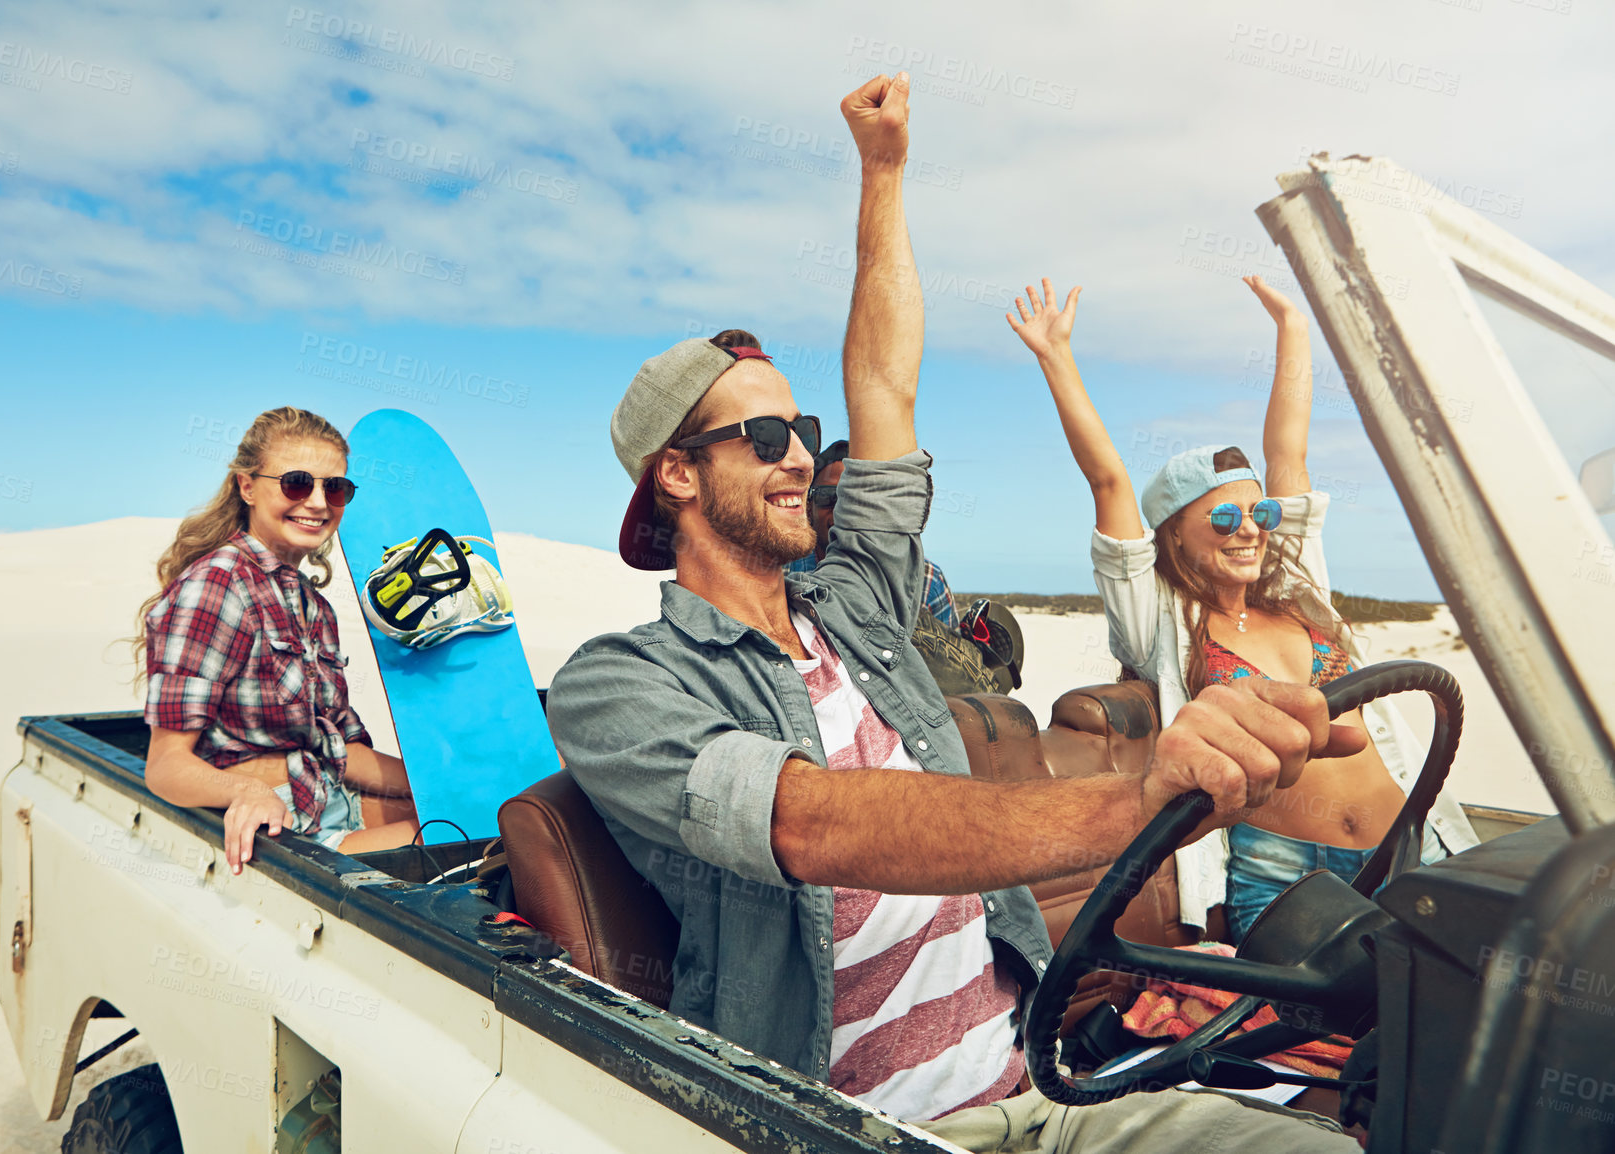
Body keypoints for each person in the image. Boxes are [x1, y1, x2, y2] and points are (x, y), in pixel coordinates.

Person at [548, 73, 1359, 1151]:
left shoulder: (853, 607)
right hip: (856, 1125)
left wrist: (883, 176)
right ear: (678, 479)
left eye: (798, 426)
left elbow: (885, 384)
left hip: (1039, 1080)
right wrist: (1139, 802)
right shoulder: (621, 682)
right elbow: (812, 822)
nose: (800, 455)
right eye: (761, 438)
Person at [1007, 275, 1477, 942]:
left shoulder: (1299, 584)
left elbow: (1289, 448)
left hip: (1407, 842)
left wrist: (1292, 326)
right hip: (1283, 869)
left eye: (1256, 512)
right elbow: (1107, 478)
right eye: (1223, 517)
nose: (1249, 529)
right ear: (1173, 533)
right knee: (1314, 1039)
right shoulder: (1161, 620)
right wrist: (1055, 357)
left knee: (1441, 1022)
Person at [135, 406, 422, 874]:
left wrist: (435, 784)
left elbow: (340, 751)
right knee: (485, 845)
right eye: (296, 482)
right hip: (287, 828)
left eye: (335, 488)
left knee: (474, 821)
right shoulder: (217, 586)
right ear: (247, 486)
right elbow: (165, 766)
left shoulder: (311, 604)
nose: (316, 502)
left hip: (332, 799)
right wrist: (248, 791)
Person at [791, 438, 1022, 694]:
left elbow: (949, 678)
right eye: (827, 496)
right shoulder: (783, 574)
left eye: (853, 500)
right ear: (808, 504)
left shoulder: (927, 581)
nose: (843, 510)